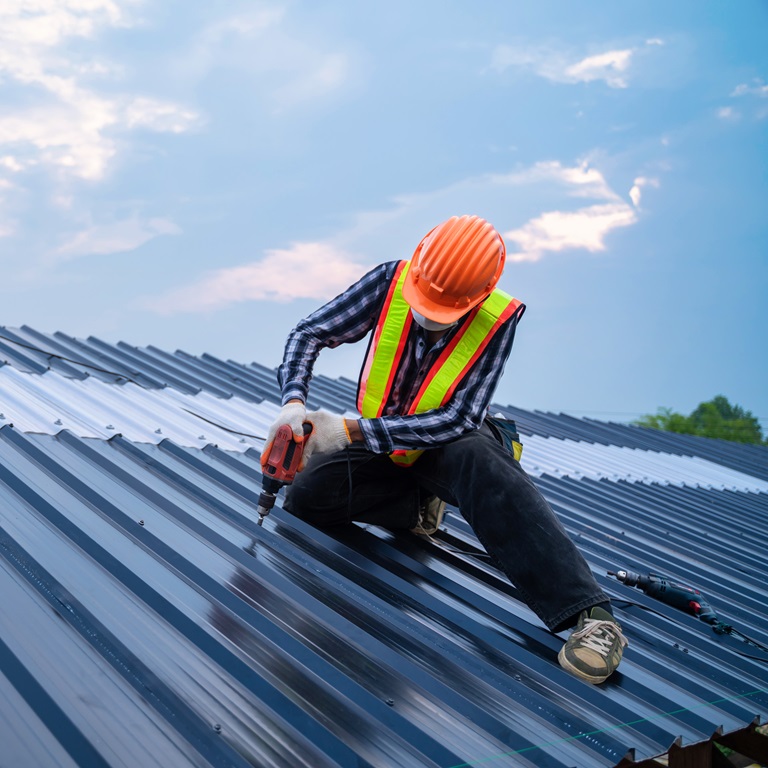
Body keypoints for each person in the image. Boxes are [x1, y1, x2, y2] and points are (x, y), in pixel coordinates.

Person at [262, 214, 627, 684]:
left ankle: (592, 617)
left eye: (444, 311)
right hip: (385, 439)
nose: (428, 316)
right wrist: (293, 401)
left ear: (475, 299)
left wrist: (350, 433)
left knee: (481, 463)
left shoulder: (497, 320)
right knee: (310, 495)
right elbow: (309, 332)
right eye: (424, 303)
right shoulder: (389, 280)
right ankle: (416, 508)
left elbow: (458, 417)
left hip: (447, 442)